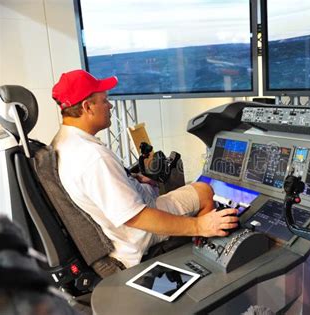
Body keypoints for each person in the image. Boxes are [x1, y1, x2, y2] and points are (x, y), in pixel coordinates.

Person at [50, 69, 238, 268]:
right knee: (203, 190)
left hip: (116, 229)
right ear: (88, 107)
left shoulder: (63, 142)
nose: (110, 105)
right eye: (104, 100)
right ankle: (209, 261)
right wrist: (200, 226)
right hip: (134, 237)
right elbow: (135, 217)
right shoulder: (93, 157)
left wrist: (130, 179)